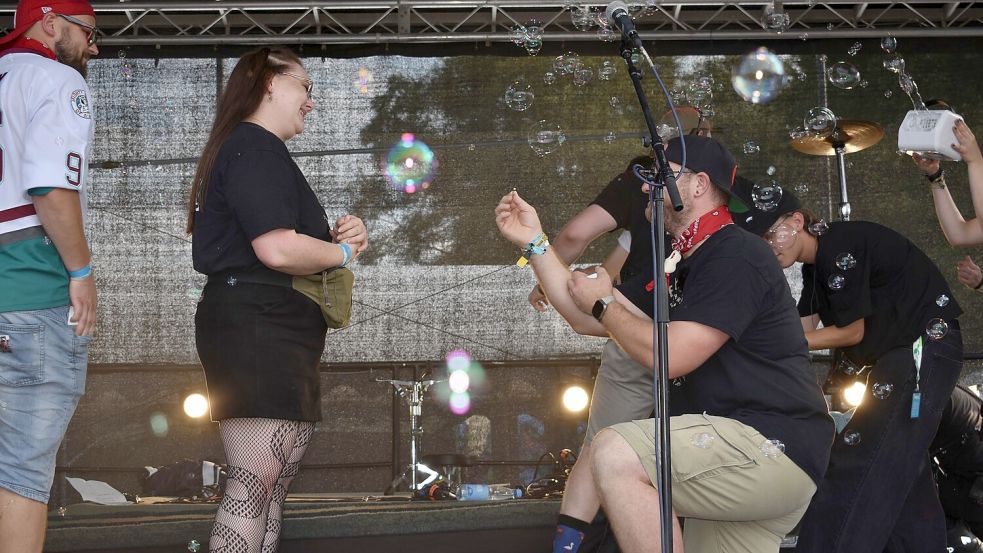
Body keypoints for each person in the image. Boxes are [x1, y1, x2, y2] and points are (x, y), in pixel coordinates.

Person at [496, 135, 833, 553]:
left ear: (698, 184)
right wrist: (534, 242)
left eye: (660, 177)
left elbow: (670, 354)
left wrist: (603, 305)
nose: (644, 187)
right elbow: (584, 314)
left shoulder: (736, 253)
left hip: (766, 445)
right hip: (740, 455)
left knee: (615, 451)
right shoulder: (681, 265)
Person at [187, 47, 368, 552]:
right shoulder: (254, 146)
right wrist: (343, 251)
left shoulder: (257, 150)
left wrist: (336, 241)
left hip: (277, 328)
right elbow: (276, 247)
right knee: (254, 481)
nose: (312, 102)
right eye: (305, 87)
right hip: (256, 326)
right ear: (270, 81)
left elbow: (282, 241)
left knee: (272, 482)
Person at [732, 182, 964, 552]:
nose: (768, 244)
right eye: (758, 240)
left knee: (859, 461)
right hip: (905, 358)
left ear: (796, 219)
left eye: (770, 233)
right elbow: (799, 333)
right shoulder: (813, 272)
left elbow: (853, 331)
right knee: (907, 479)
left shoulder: (841, 243)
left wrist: (780, 341)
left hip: (921, 351)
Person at [0, 1, 99, 551]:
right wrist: (80, 271)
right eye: (88, 32)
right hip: (31, 293)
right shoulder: (56, 79)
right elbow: (49, 187)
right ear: (50, 22)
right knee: (19, 476)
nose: (93, 47)